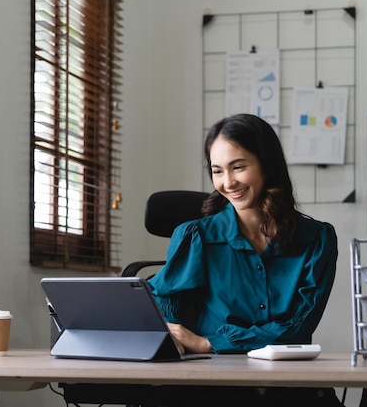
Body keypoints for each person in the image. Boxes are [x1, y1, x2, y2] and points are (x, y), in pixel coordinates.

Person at [147, 113, 343, 407]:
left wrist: (211, 342)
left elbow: (297, 327)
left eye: (238, 167)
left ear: (267, 165)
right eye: (217, 171)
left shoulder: (317, 239)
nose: (228, 182)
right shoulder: (194, 237)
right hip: (210, 385)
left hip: (287, 386)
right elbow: (169, 313)